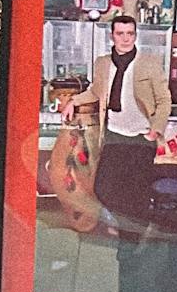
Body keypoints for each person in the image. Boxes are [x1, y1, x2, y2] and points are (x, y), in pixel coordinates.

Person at [67, 15, 171, 246]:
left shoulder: (149, 63)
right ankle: (134, 230)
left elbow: (164, 100)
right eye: (120, 33)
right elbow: (95, 92)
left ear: (135, 35)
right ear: (112, 35)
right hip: (113, 135)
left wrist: (155, 130)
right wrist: (73, 101)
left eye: (130, 33)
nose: (125, 38)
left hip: (141, 137)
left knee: (136, 193)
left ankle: (131, 240)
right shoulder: (103, 63)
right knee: (103, 188)